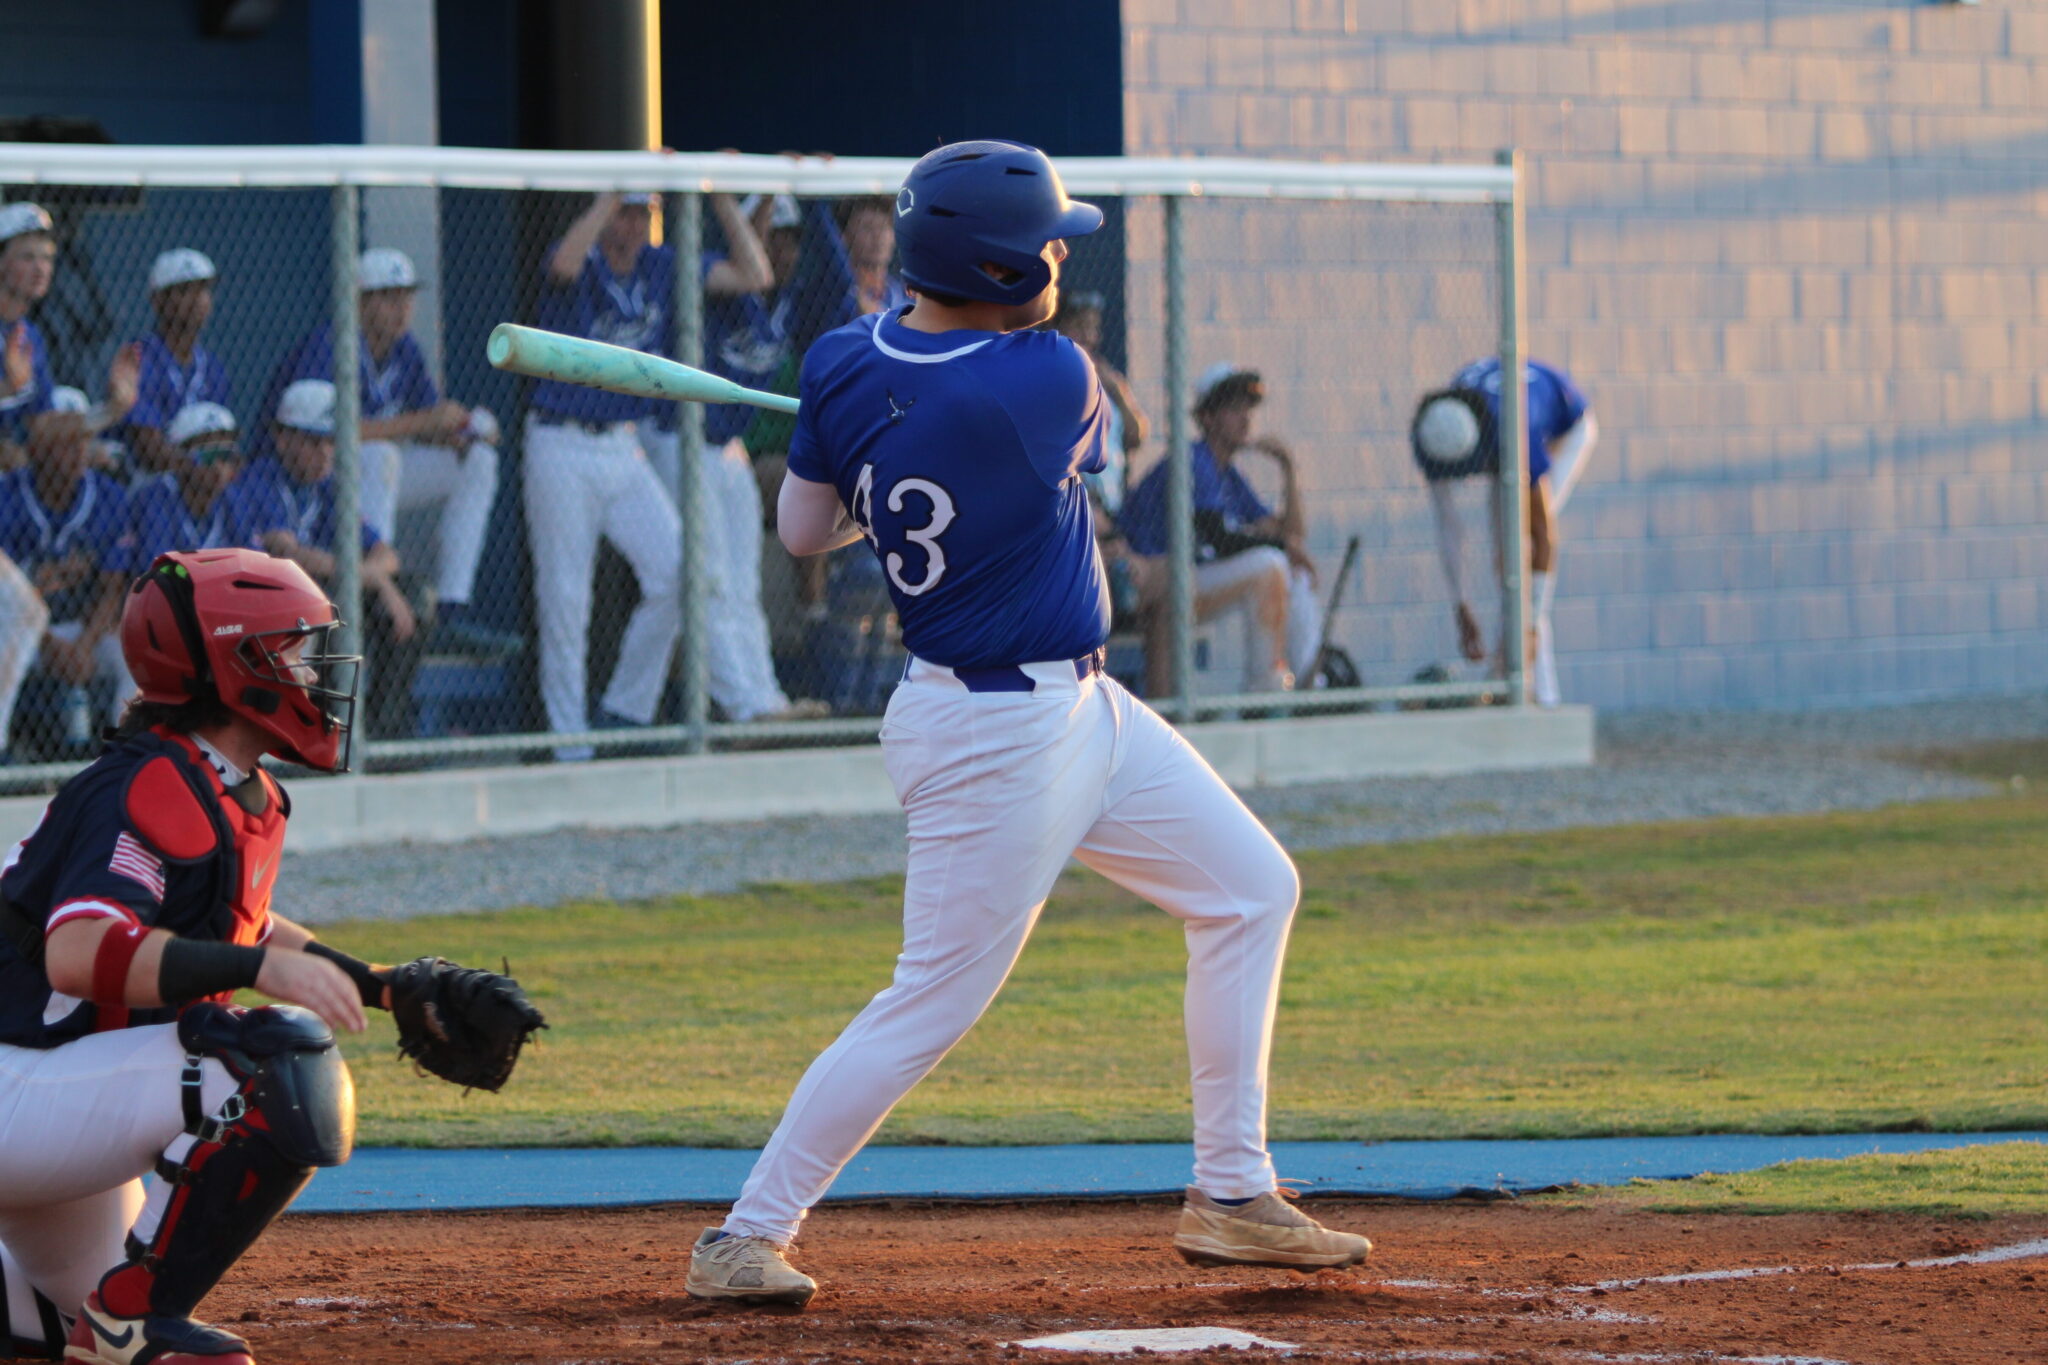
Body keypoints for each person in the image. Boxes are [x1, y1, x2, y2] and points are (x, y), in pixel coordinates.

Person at [685, 140, 1369, 1309]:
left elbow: (807, 531)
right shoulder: (1049, 379)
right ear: (995, 269)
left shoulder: (845, 361)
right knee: (929, 1001)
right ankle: (746, 1233)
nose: (1059, 253)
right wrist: (892, 438)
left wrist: (865, 445)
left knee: (1251, 887)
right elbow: (992, 447)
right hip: (992, 735)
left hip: (1084, 707)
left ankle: (1231, 1192)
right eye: (1046, 242)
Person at [0, 546, 525, 1365]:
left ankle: (95, 1315)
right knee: (267, 1059)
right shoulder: (145, 784)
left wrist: (380, 986)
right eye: (290, 649)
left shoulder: (216, 782)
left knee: (43, 1318)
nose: (312, 670)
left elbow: (241, 925)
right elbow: (78, 951)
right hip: (18, 1082)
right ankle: (131, 1320)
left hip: (43, 1089)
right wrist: (257, 974)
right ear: (228, 664)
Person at [261, 248, 514, 657]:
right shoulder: (329, 345)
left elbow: (426, 425)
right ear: (360, 301)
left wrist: (464, 430)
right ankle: (376, 593)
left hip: (373, 478)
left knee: (478, 463)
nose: (402, 308)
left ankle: (451, 607)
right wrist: (422, 423)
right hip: (316, 475)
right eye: (388, 297)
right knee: (381, 454)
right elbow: (333, 435)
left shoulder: (406, 351)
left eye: (407, 296)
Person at [640, 191, 826, 723]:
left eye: (790, 240)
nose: (782, 250)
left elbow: (776, 271)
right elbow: (752, 268)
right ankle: (743, 707)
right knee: (714, 576)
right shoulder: (715, 281)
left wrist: (773, 188)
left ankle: (766, 698)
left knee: (743, 583)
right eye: (772, 235)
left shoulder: (790, 300)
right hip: (678, 437)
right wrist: (738, 195)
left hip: (728, 449)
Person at [227, 379, 421, 739]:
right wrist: (372, 577)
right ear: (283, 438)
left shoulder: (330, 486)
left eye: (331, 442)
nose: (325, 453)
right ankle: (324, 730)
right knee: (332, 603)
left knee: (415, 595)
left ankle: (383, 733)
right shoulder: (259, 481)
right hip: (272, 608)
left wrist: (376, 577)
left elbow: (387, 556)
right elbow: (289, 556)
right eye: (314, 441)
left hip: (326, 595)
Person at [1119, 364, 1321, 698]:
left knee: (1292, 573)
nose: (1245, 418)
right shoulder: (1195, 459)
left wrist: (1288, 468)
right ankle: (1265, 694)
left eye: (1247, 409)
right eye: (1233, 409)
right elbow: (1219, 537)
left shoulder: (1229, 475)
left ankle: (1308, 685)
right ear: (1208, 418)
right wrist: (1284, 548)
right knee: (1270, 564)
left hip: (1190, 579)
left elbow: (1292, 535)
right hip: (1147, 581)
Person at [1410, 357, 1596, 707]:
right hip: (1501, 425)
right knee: (1509, 563)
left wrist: (1527, 625)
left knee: (1518, 551)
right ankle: (1521, 685)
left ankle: (1532, 689)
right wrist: (1460, 605)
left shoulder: (1515, 432)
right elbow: (1449, 528)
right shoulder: (1432, 429)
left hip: (1566, 428)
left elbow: (1543, 536)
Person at [0, 405, 133, 753]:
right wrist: (48, 644)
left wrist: (85, 646)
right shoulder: (7, 497)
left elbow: (112, 588)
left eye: (83, 442)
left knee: (135, 656)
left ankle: (128, 753)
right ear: (39, 452)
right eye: (66, 444)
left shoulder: (108, 496)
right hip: (18, 630)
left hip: (83, 629)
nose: (79, 453)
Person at [0, 203, 140, 467]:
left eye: (47, 258)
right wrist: (9, 389)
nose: (40, 269)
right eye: (27, 257)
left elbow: (42, 425)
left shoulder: (31, 336)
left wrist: (111, 410)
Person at [1051, 290, 1148, 628]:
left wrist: (1117, 389)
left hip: (1113, 505)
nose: (1089, 337)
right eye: (1080, 327)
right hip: (1079, 505)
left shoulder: (1106, 380)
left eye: (1093, 328)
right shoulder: (1055, 378)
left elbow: (1137, 434)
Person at [123, 249, 234, 477]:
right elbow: (148, 450)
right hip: (146, 481)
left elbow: (223, 443)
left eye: (203, 290)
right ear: (157, 300)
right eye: (184, 291)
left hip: (203, 482)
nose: (197, 300)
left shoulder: (212, 367)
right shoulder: (139, 357)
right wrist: (200, 469)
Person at [111, 402, 249, 580]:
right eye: (208, 456)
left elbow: (255, 566)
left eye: (226, 456)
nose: (218, 467)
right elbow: (159, 574)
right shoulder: (156, 498)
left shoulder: (232, 499)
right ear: (180, 458)